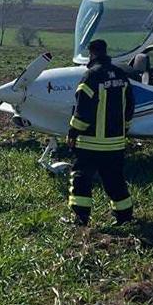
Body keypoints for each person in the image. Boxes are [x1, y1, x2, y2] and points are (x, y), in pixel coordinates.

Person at [65, 39, 135, 226]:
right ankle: (124, 217)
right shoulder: (121, 75)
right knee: (115, 181)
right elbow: (130, 106)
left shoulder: (91, 76)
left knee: (81, 180)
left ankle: (80, 218)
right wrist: (124, 129)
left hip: (90, 143)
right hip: (115, 143)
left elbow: (83, 110)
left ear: (92, 53)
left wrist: (73, 132)